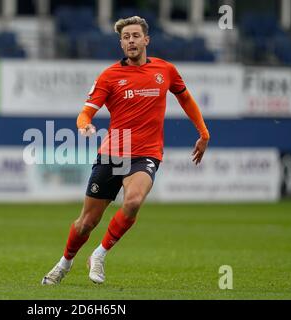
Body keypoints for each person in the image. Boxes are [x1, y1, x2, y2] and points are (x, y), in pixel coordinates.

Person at [41, 16, 210, 285]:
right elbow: (85, 113)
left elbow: (185, 98)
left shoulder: (165, 71)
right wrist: (84, 126)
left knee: (132, 202)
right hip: (112, 153)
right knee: (86, 222)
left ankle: (99, 254)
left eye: (135, 36)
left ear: (146, 40)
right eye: (126, 37)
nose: (131, 40)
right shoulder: (110, 76)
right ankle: (64, 263)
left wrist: (203, 132)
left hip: (147, 153)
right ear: (121, 44)